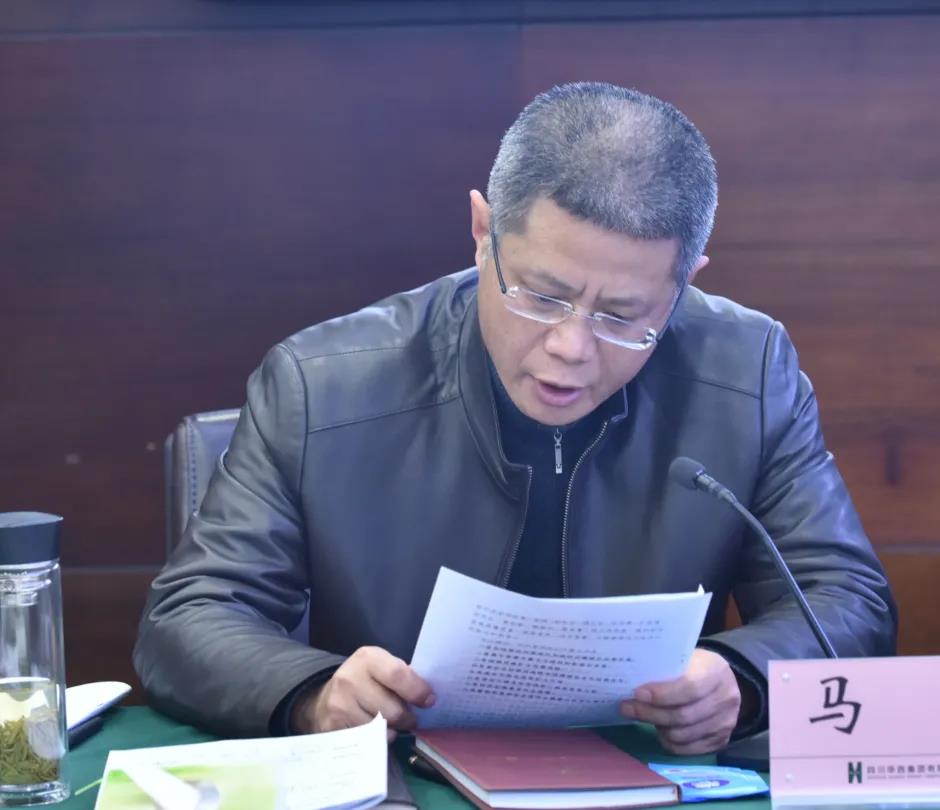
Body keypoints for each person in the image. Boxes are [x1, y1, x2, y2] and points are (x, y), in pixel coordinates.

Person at [135, 82, 897, 755]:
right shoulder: (321, 386)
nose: (570, 348)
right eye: (540, 295)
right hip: (404, 776)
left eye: (623, 315)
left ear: (684, 283)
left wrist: (742, 678)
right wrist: (315, 691)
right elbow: (189, 618)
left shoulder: (748, 373)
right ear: (482, 232)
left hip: (648, 773)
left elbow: (846, 599)